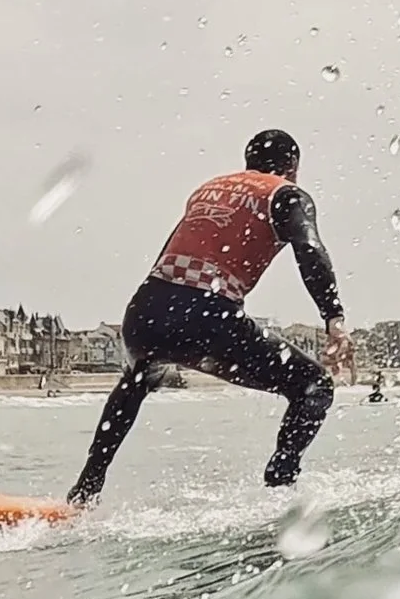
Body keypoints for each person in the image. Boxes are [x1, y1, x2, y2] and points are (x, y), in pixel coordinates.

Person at [67, 128, 348, 505]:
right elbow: (309, 247)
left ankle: (86, 488)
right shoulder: (285, 193)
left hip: (144, 310)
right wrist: (334, 318)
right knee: (315, 386)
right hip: (207, 315)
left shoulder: (208, 189)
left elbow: (170, 252)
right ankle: (280, 490)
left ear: (248, 161)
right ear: (293, 166)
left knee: (138, 378)